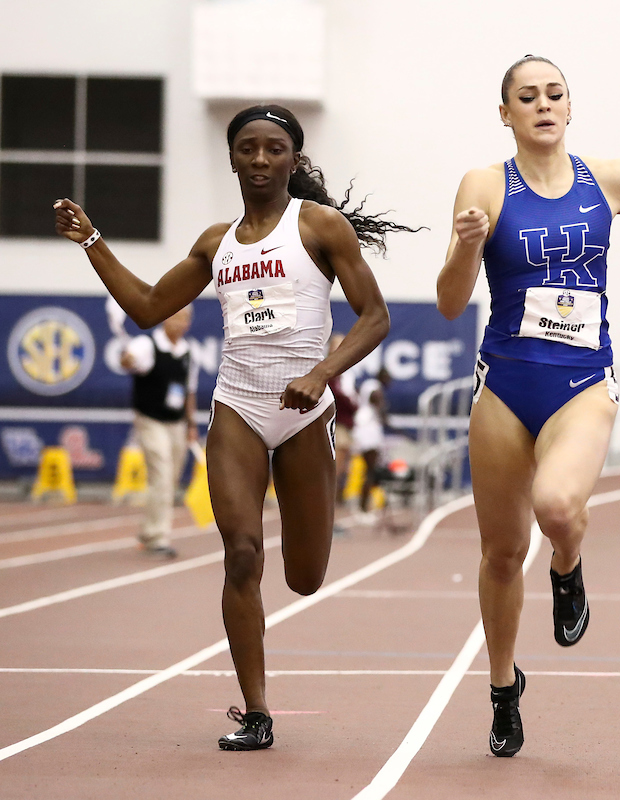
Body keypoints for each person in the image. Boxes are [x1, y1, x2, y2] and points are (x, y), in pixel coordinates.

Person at [54, 104, 418, 750]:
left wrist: (322, 373)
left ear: (293, 160)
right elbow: (145, 307)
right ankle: (256, 713)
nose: (259, 159)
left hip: (306, 417)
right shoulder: (215, 242)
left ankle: (268, 656)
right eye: (247, 148)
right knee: (242, 552)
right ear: (231, 158)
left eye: (274, 149)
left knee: (304, 577)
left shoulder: (320, 228)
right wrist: (91, 240)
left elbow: (375, 318)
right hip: (238, 410)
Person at [436, 55, 620, 756]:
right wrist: (463, 250)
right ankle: (501, 686)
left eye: (555, 94)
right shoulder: (484, 185)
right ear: (506, 113)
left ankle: (569, 564)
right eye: (528, 96)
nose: (543, 104)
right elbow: (452, 301)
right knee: (499, 552)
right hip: (505, 383)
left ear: (570, 107)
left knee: (555, 507)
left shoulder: (611, 179)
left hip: (581, 381)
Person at [118, 305, 199, 558]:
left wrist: (191, 423)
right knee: (162, 474)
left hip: (177, 423)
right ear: (165, 318)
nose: (182, 323)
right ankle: (157, 537)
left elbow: (189, 391)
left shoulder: (188, 352)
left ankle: (148, 531)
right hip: (150, 420)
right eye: (177, 317)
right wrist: (127, 359)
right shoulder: (146, 344)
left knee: (171, 478)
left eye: (186, 318)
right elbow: (129, 360)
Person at [326, 332, 358, 535]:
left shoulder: (346, 373)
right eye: (336, 346)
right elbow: (340, 399)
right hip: (335, 427)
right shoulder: (329, 373)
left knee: (339, 477)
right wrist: (351, 401)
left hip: (346, 428)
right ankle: (327, 522)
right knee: (332, 476)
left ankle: (330, 520)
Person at [352, 365, 390, 522]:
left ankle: (366, 505)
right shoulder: (375, 387)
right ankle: (362, 509)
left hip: (364, 427)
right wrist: (383, 411)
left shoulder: (368, 385)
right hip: (368, 430)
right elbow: (376, 400)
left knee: (371, 471)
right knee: (370, 471)